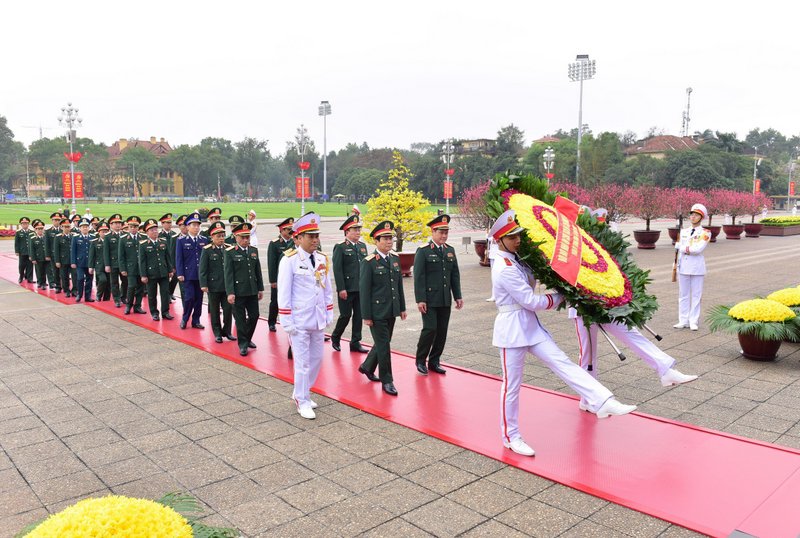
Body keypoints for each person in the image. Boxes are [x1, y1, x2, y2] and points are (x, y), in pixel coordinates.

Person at [490, 209, 636, 457]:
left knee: (563, 363)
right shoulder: (504, 267)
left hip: (530, 327)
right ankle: (511, 436)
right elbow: (530, 301)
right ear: (499, 239)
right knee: (511, 387)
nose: (518, 240)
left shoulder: (517, 258)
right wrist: (562, 296)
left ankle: (601, 400)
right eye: (513, 237)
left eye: (518, 235)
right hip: (512, 329)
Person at [278, 212, 334, 419]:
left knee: (317, 359)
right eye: (310, 236)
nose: (315, 240)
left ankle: (301, 391)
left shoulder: (322, 258)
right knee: (302, 363)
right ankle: (302, 400)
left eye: (316, 235)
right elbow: (283, 292)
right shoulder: (289, 260)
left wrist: (329, 312)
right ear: (298, 238)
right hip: (299, 320)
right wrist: (286, 321)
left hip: (317, 319)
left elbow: (327, 288)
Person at [571, 311, 698, 395]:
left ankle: (666, 371)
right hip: (582, 308)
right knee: (588, 353)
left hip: (606, 304)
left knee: (633, 334)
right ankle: (589, 396)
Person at [358, 221, 407, 396]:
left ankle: (367, 367)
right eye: (385, 239)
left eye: (390, 238)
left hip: (391, 310)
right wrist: (366, 316)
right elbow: (364, 291)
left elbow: (398, 285)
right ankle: (387, 380)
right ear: (376, 241)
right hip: (376, 312)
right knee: (384, 346)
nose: (389, 242)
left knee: (383, 343)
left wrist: (401, 307)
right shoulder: (369, 262)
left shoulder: (394, 259)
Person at [413, 214, 463, 375]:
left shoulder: (450, 250)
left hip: (444, 299)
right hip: (429, 299)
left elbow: (454, 275)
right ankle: (421, 360)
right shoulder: (423, 251)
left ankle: (434, 361)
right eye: (440, 232)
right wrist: (420, 299)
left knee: (442, 331)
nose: (443, 236)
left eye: (446, 233)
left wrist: (458, 296)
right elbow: (419, 277)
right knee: (430, 329)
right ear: (433, 232)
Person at [330, 214, 369, 353]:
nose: (358, 232)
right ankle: (336, 337)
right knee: (345, 315)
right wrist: (341, 288)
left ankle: (355, 342)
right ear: (347, 232)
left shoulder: (362, 246)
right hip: (346, 288)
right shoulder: (340, 247)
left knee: (359, 316)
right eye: (355, 230)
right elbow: (337, 269)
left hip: (360, 288)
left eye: (359, 230)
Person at [224, 221, 264, 356]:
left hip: (252, 290)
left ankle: (247, 338)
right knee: (240, 320)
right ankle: (243, 344)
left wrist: (260, 288)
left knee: (254, 316)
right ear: (236, 237)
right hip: (238, 292)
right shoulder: (230, 252)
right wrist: (230, 292)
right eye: (243, 237)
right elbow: (228, 274)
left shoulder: (254, 251)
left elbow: (257, 271)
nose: (246, 240)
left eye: (248, 237)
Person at [674, 203, 711, 331]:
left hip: (696, 267)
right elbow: (679, 251)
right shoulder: (683, 231)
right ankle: (682, 320)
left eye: (696, 215)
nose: (693, 217)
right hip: (683, 265)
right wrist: (676, 264)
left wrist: (682, 248)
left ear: (701, 218)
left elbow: (698, 249)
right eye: (692, 214)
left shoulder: (706, 233)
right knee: (683, 295)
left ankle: (693, 321)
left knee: (696, 295)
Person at [199, 222, 234, 343]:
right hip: (213, 286)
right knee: (214, 311)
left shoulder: (229, 248)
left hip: (227, 286)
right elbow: (203, 269)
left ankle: (227, 331)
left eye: (223, 235)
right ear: (212, 237)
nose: (221, 238)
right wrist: (203, 284)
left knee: (228, 310)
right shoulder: (207, 250)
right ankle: (217, 333)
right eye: (218, 236)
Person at [175, 212, 208, 329]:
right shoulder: (181, 240)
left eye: (198, 225)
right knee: (189, 298)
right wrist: (180, 273)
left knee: (199, 299)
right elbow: (179, 258)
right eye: (193, 225)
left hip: (200, 275)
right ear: (187, 227)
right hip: (188, 275)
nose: (196, 227)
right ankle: (185, 319)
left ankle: (196, 320)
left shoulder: (204, 240)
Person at [139, 218, 174, 321]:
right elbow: (142, 261)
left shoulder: (163, 241)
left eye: (155, 229)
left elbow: (168, 257)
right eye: (152, 230)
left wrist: (170, 269)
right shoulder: (143, 244)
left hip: (163, 272)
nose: (155, 232)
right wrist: (143, 275)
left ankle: (165, 312)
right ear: (147, 232)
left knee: (165, 293)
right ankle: (154, 312)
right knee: (152, 295)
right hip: (151, 273)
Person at [267, 217, 295, 332]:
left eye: (291, 229)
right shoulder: (274, 244)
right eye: (288, 229)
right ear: (281, 230)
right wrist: (273, 280)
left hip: (291, 277)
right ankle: (272, 322)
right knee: (275, 301)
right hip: (279, 278)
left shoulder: (294, 242)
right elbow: (271, 263)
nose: (290, 232)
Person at [118, 216, 146, 315]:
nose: (133, 228)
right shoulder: (123, 239)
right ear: (128, 227)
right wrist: (123, 269)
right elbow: (121, 256)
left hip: (141, 268)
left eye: (135, 226)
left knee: (140, 288)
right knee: (131, 286)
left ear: (138, 227)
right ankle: (128, 305)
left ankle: (137, 306)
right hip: (130, 268)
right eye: (131, 226)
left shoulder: (143, 237)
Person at [104, 214, 126, 307]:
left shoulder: (125, 235)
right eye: (115, 223)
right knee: (114, 282)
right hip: (113, 263)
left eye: (119, 223)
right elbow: (106, 252)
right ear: (111, 225)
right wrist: (107, 265)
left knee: (125, 281)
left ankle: (123, 296)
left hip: (123, 263)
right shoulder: (108, 236)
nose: (118, 225)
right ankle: (116, 299)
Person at [70, 218, 94, 302]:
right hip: (79, 262)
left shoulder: (93, 237)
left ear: (89, 227)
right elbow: (73, 250)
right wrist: (73, 262)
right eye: (83, 227)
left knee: (89, 280)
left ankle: (88, 296)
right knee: (80, 278)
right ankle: (79, 295)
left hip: (90, 263)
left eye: (86, 226)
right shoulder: (76, 237)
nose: (85, 228)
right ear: (80, 228)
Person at [159, 213, 180, 301]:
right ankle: (166, 295)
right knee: (166, 279)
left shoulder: (174, 234)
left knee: (175, 278)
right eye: (167, 223)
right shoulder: (160, 235)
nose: (169, 224)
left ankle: (170, 292)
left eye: (170, 222)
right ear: (162, 224)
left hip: (173, 259)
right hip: (164, 260)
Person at [88, 221, 111, 301]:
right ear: (99, 232)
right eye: (102, 231)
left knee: (109, 283)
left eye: (106, 231)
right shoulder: (94, 242)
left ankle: (106, 298)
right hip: (99, 265)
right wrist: (91, 267)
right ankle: (99, 295)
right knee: (102, 280)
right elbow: (92, 255)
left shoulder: (111, 241)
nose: (104, 233)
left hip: (109, 265)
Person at [52, 218, 73, 295]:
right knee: (64, 276)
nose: (67, 228)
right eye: (65, 227)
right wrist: (57, 261)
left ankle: (74, 290)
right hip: (63, 260)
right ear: (61, 227)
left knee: (74, 276)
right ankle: (66, 290)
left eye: (68, 226)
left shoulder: (73, 236)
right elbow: (56, 250)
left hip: (72, 260)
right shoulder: (58, 237)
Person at [170, 215, 188, 300]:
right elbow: (172, 253)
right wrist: (173, 267)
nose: (185, 227)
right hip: (179, 266)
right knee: (182, 288)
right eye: (183, 225)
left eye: (186, 225)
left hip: (190, 267)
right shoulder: (175, 238)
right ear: (179, 226)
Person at [44, 212, 63, 289]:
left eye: (58, 220)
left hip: (63, 254)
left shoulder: (63, 230)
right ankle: (58, 286)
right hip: (53, 254)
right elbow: (47, 244)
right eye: (55, 220)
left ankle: (64, 285)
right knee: (55, 271)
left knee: (63, 272)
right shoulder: (48, 231)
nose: (57, 222)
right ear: (52, 221)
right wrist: (47, 255)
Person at [28, 220, 48, 289]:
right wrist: (33, 258)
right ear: (35, 229)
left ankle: (44, 282)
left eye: (41, 229)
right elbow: (32, 249)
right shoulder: (33, 238)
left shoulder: (45, 237)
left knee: (45, 271)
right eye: (38, 229)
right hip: (38, 257)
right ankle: (40, 282)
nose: (40, 230)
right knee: (39, 271)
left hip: (45, 257)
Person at [14, 217, 34, 284]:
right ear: (21, 224)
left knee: (30, 266)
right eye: (23, 223)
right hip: (22, 252)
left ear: (28, 224)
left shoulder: (32, 232)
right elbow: (16, 243)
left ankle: (29, 278)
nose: (25, 224)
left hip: (30, 252)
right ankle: (21, 276)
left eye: (26, 223)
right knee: (21, 266)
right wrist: (17, 251)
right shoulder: (18, 232)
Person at [485, 233, 498, 301]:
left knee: (498, 276)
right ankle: (494, 295)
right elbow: (489, 238)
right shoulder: (492, 228)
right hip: (493, 254)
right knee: (493, 276)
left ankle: (497, 295)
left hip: (499, 255)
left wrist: (492, 238)